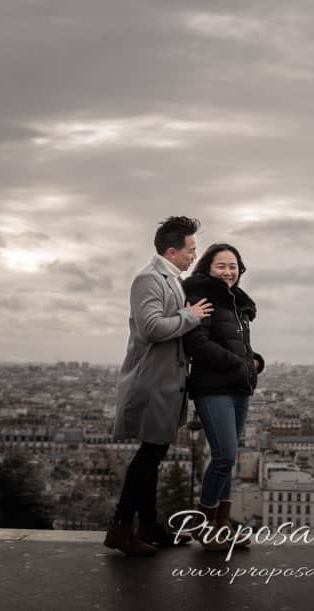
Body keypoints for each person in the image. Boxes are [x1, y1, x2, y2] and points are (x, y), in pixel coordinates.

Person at [104, 216, 213, 556]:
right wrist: (192, 316)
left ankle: (148, 526)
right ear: (171, 250)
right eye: (190, 250)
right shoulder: (148, 279)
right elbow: (151, 328)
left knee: (153, 454)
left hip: (165, 383)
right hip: (153, 382)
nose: (194, 256)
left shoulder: (171, 279)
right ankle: (122, 528)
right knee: (149, 456)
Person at [182, 243, 264, 551]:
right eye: (221, 266)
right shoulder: (201, 296)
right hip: (213, 388)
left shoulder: (237, 305)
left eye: (233, 266)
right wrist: (237, 362)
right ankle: (205, 526)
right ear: (206, 268)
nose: (228, 272)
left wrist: (255, 360)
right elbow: (195, 342)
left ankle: (222, 525)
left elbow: (236, 345)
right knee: (225, 457)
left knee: (227, 461)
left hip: (238, 388)